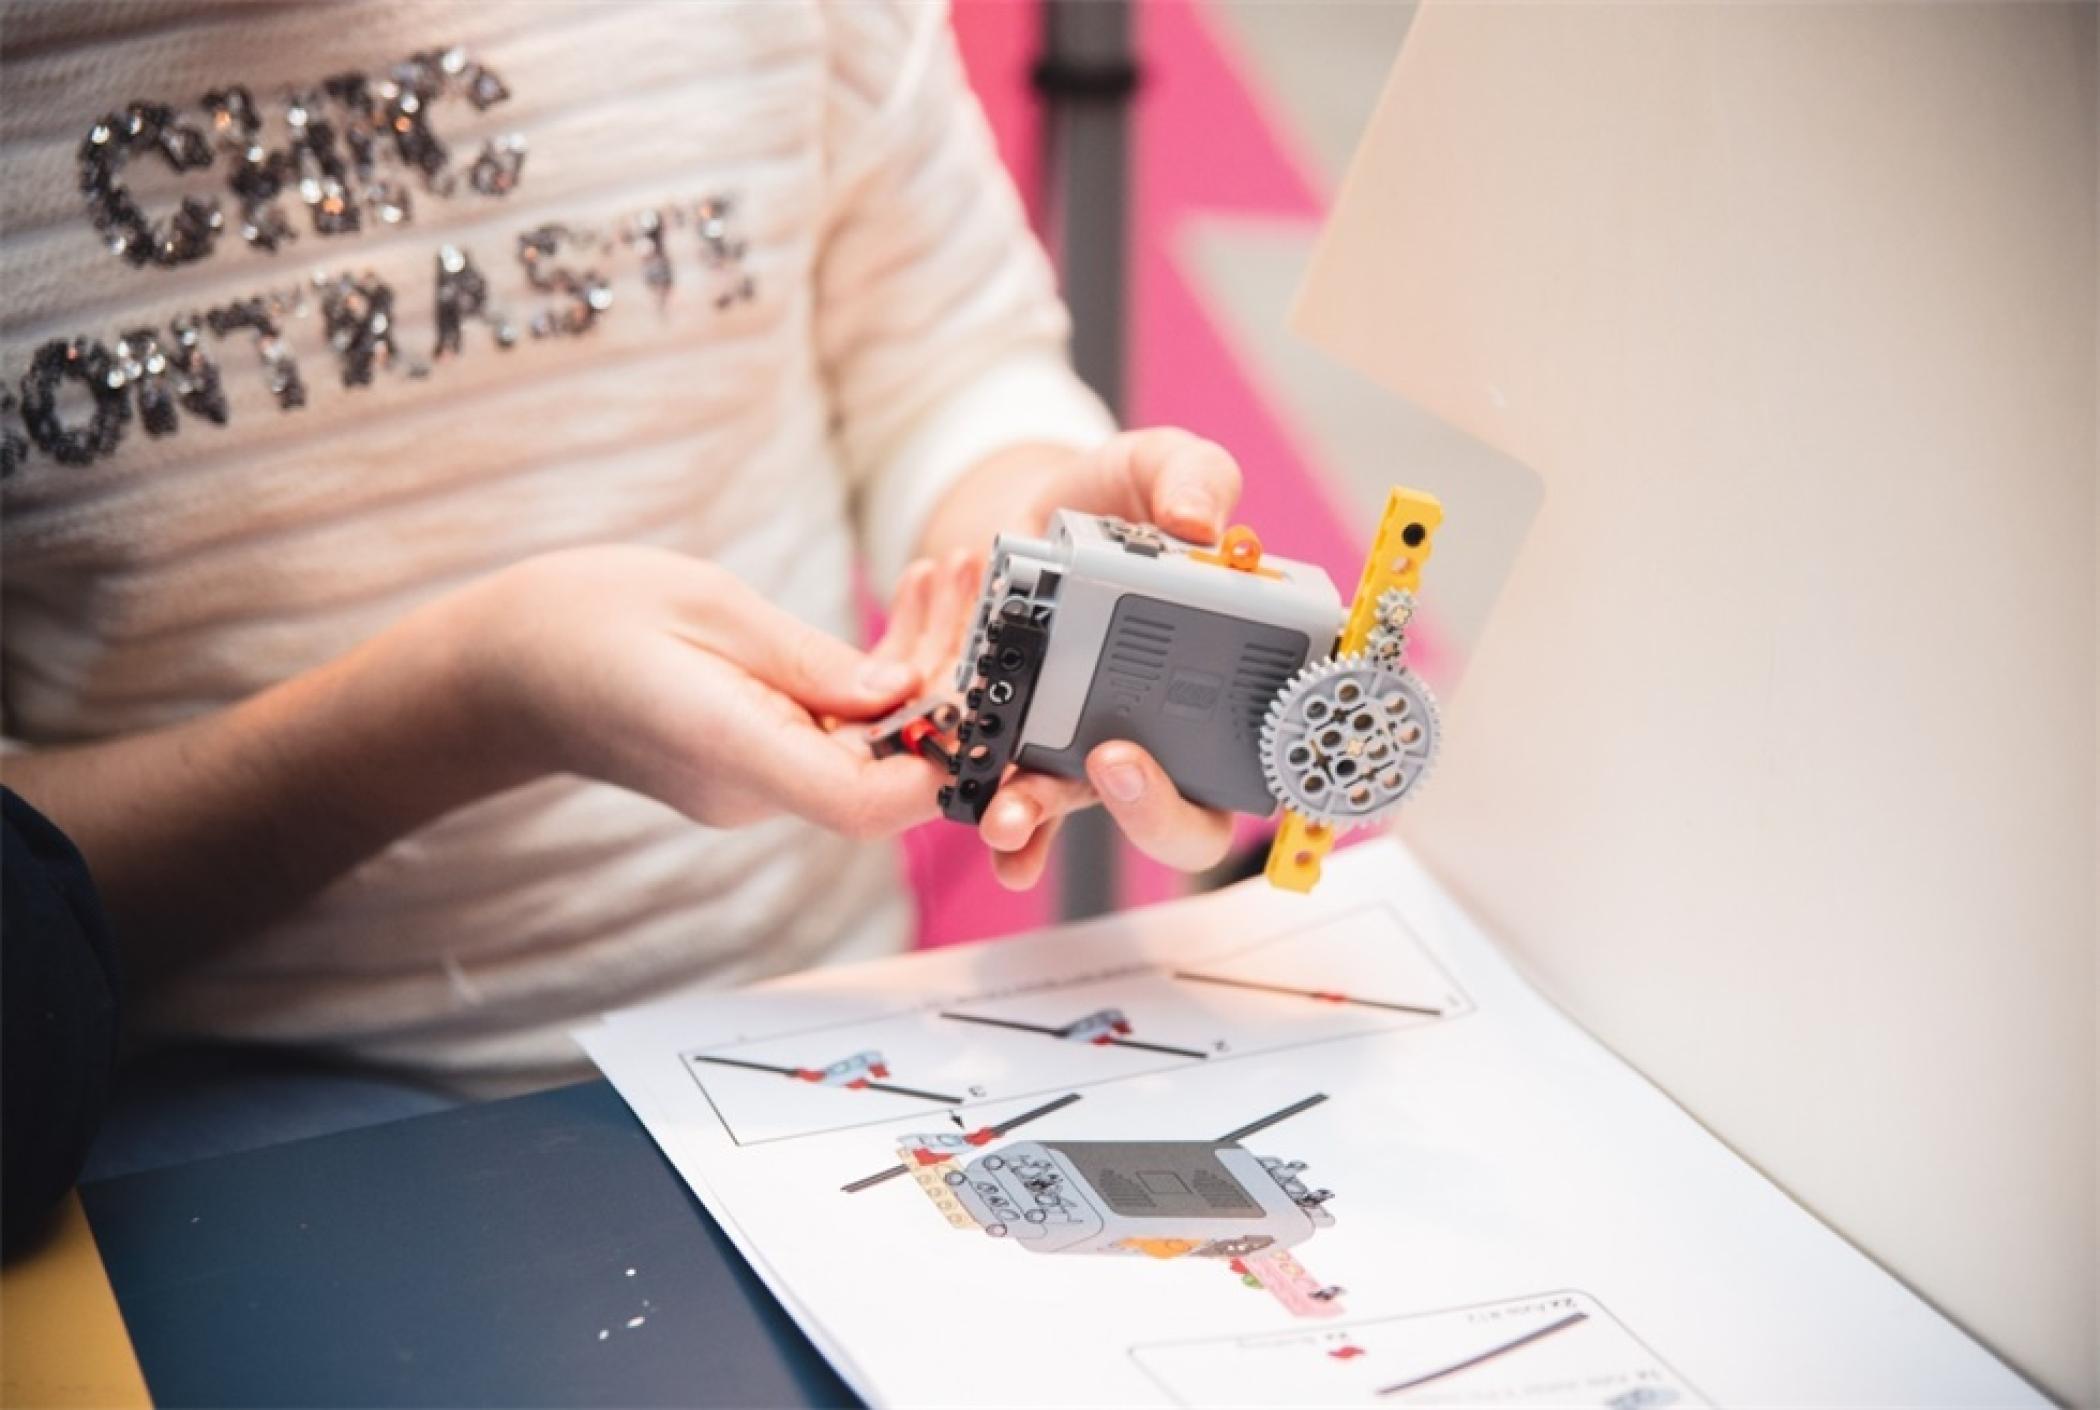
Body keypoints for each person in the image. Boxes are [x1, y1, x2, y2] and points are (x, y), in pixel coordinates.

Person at [0, 0, 1243, 1091]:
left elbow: (943, 363)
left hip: (807, 1006)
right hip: (174, 1099)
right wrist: (471, 702)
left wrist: (1030, 519)